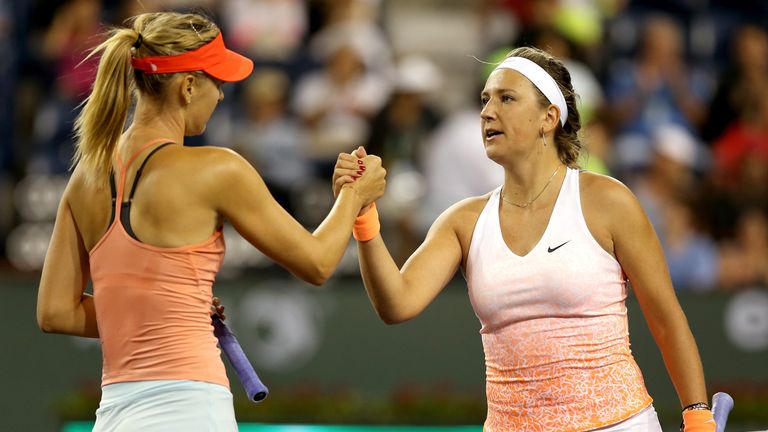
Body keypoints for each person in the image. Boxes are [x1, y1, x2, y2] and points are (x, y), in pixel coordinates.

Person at [334, 46, 716, 431]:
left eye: (506, 98)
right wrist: (363, 215)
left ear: (548, 117)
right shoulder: (463, 220)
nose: (487, 111)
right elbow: (396, 303)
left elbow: (666, 320)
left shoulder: (608, 202)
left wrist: (697, 415)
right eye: (485, 100)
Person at [35, 11, 385, 431]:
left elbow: (55, 312)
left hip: (114, 416)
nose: (220, 96)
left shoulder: (84, 177)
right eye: (216, 81)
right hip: (190, 410)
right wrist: (354, 196)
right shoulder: (219, 169)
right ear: (187, 86)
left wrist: (171, 310)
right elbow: (317, 262)